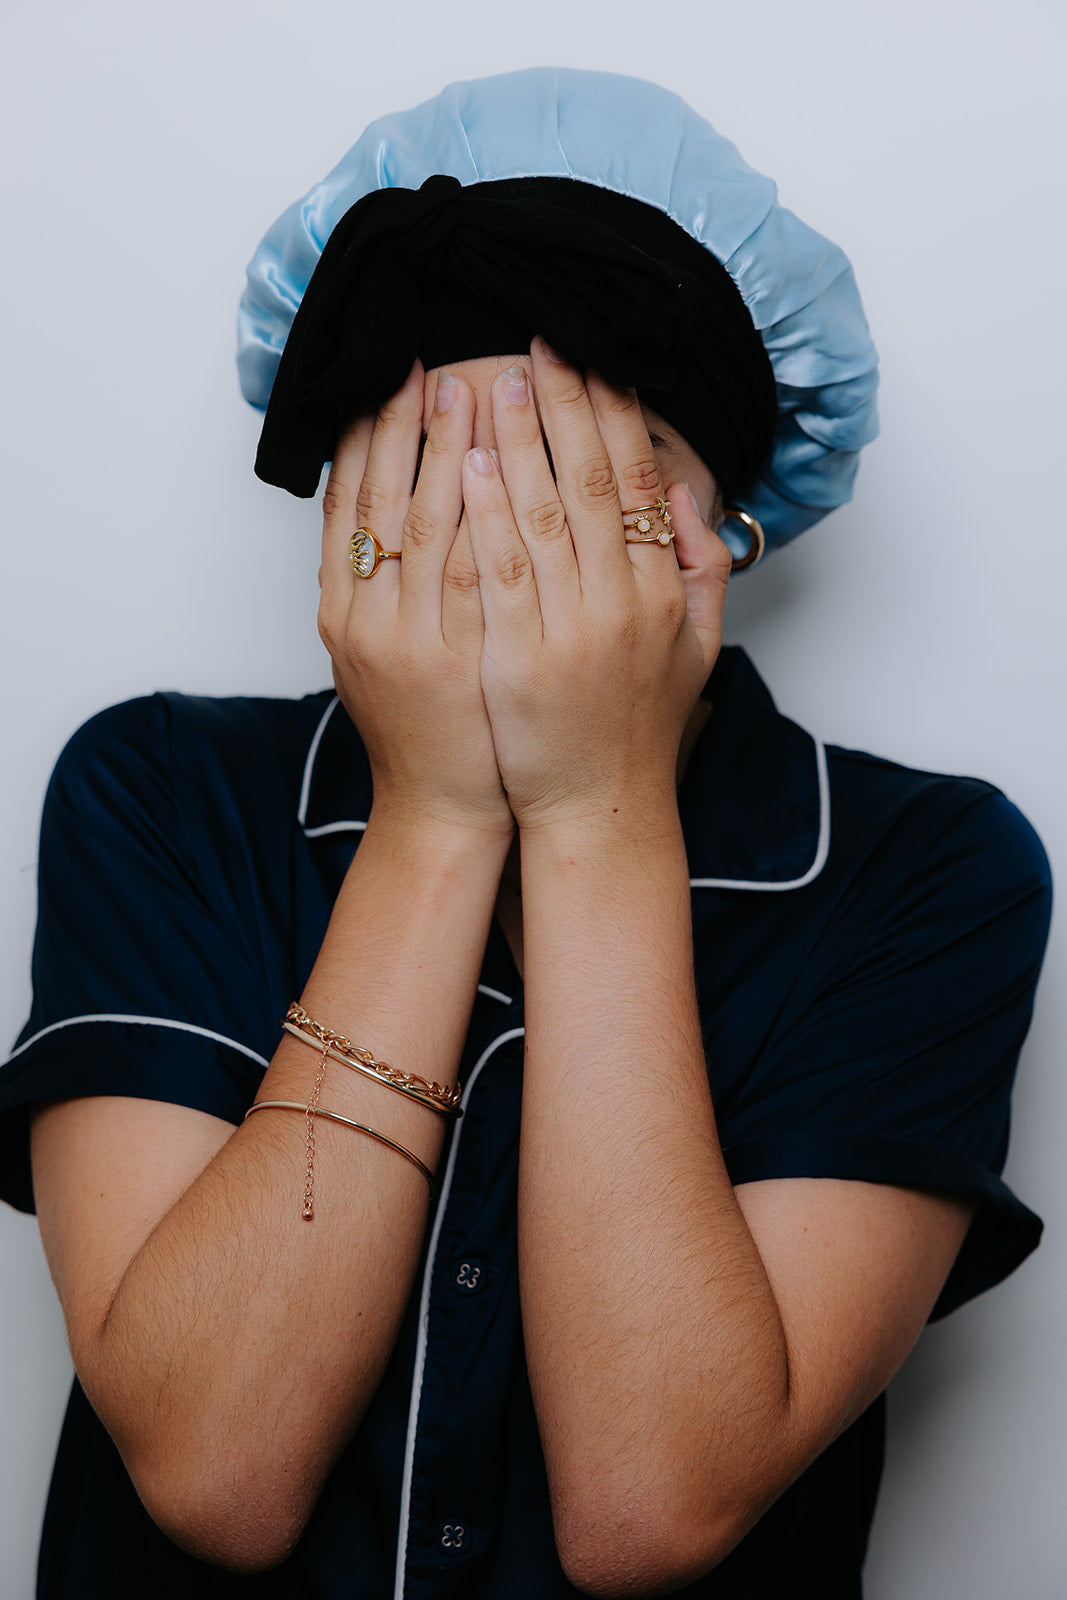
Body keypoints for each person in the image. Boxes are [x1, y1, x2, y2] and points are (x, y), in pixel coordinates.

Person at [0, 67, 1051, 1600]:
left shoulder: (923, 872)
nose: (497, 544)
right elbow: (216, 1469)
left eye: (572, 489)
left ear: (718, 537)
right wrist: (432, 811)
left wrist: (591, 805)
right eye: (430, 476)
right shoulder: (159, 790)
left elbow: (652, 1501)